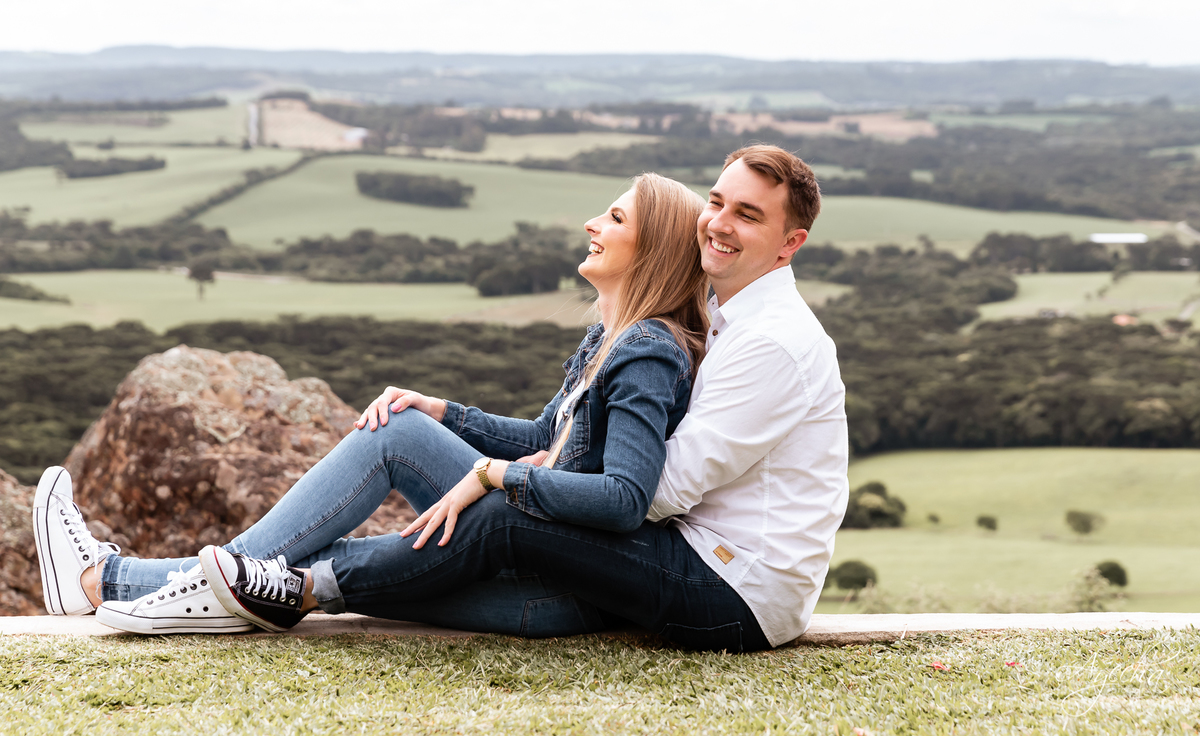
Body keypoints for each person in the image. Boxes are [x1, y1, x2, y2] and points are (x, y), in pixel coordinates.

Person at [197, 144, 847, 651]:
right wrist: (455, 418)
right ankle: (211, 580)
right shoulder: (716, 311)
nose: (720, 223)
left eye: (749, 215)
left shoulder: (773, 343)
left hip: (733, 589)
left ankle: (301, 586)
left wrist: (504, 475)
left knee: (506, 510)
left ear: (791, 244)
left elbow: (650, 495)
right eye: (718, 202)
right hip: (683, 550)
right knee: (434, 459)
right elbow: (563, 441)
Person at [33, 171, 709, 638]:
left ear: (653, 251)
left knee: (385, 455)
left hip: (554, 585)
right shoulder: (612, 335)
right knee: (405, 424)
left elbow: (622, 497)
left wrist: (494, 476)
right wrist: (446, 411)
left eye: (615, 218)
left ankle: (118, 582)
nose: (593, 224)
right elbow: (545, 435)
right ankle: (160, 583)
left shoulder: (647, 352)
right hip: (528, 550)